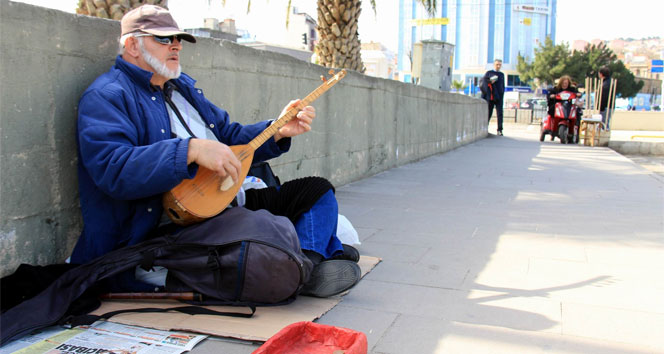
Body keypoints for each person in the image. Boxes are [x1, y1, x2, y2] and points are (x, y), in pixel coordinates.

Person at [70, 5, 360, 297]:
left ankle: (306, 263)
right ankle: (315, 254)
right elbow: (113, 169)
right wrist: (189, 151)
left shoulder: (182, 89)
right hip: (171, 224)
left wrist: (278, 129)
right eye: (163, 39)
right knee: (263, 228)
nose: (175, 46)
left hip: (225, 199)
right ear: (132, 44)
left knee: (317, 191)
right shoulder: (107, 95)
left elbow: (230, 136)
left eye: (178, 39)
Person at [481, 59, 505, 136]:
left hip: (499, 96)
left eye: (500, 65)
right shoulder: (489, 73)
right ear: (494, 64)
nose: (498, 66)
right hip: (491, 96)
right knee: (489, 112)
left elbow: (502, 86)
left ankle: (500, 130)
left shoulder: (501, 74)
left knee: (500, 113)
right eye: (497, 64)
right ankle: (485, 127)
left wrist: (502, 94)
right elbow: (483, 83)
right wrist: (490, 81)